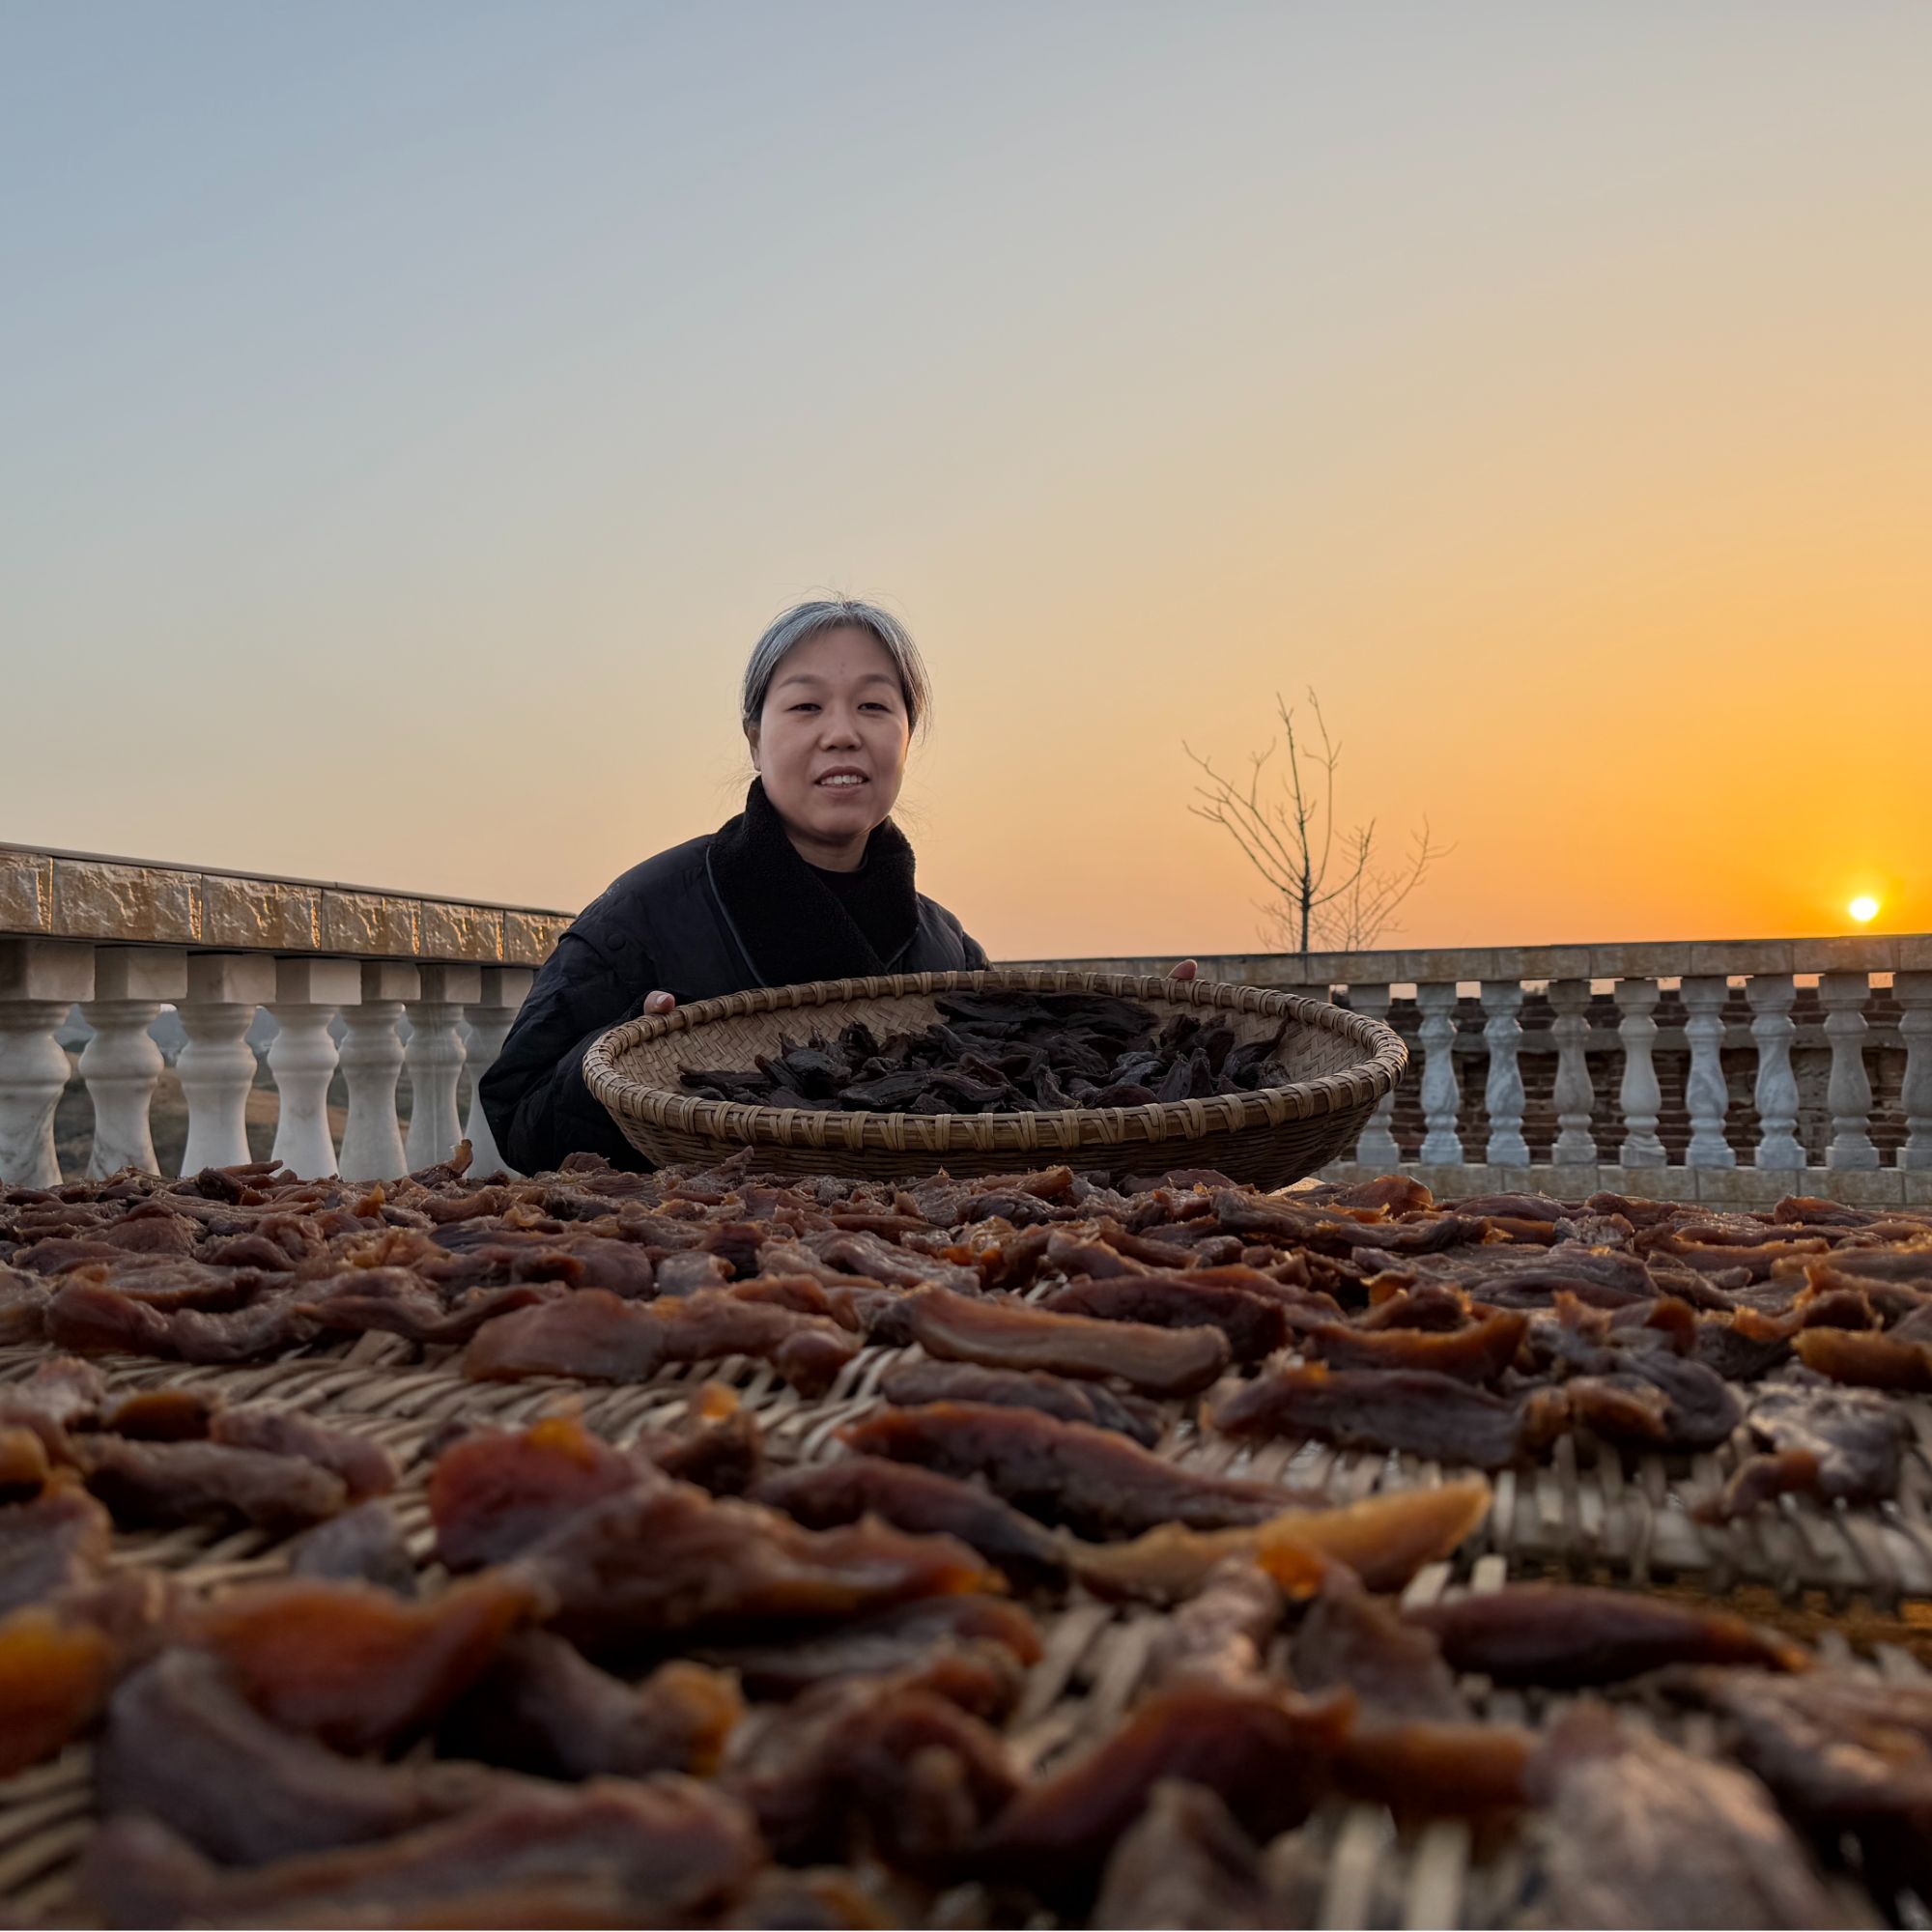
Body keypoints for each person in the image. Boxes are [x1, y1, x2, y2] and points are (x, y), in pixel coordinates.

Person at [480, 600, 989, 1173]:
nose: (842, 733)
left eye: (873, 705)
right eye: (806, 706)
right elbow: (519, 1121)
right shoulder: (641, 915)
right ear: (754, 741)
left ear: (906, 738)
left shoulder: (951, 954)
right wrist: (627, 1057)